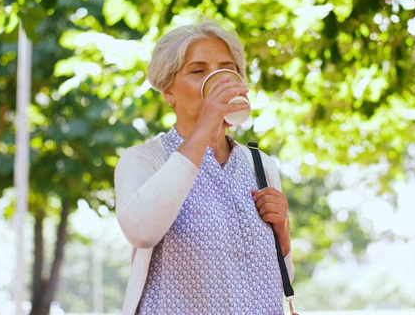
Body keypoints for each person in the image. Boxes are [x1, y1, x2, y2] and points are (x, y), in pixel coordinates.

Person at [114, 19, 295, 314]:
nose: (217, 80)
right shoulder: (145, 160)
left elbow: (280, 279)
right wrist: (204, 129)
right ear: (168, 92)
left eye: (227, 69)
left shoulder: (260, 165)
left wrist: (283, 235)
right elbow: (141, 231)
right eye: (198, 71)